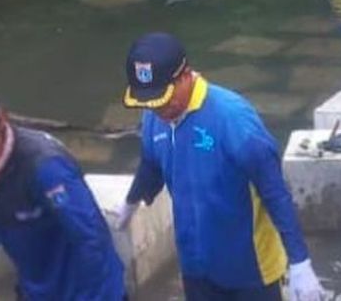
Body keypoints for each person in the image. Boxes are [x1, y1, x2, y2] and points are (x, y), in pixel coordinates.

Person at [114, 33, 323, 301]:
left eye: (163, 99)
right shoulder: (155, 116)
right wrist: (132, 202)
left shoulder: (233, 121)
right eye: (150, 102)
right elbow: (152, 163)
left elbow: (276, 193)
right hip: (196, 267)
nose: (159, 109)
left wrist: (300, 262)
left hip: (250, 270)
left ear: (185, 76)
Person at [0, 77, 126, 301]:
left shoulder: (46, 168)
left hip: (87, 289)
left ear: (1, 122)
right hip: (35, 287)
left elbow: (91, 239)